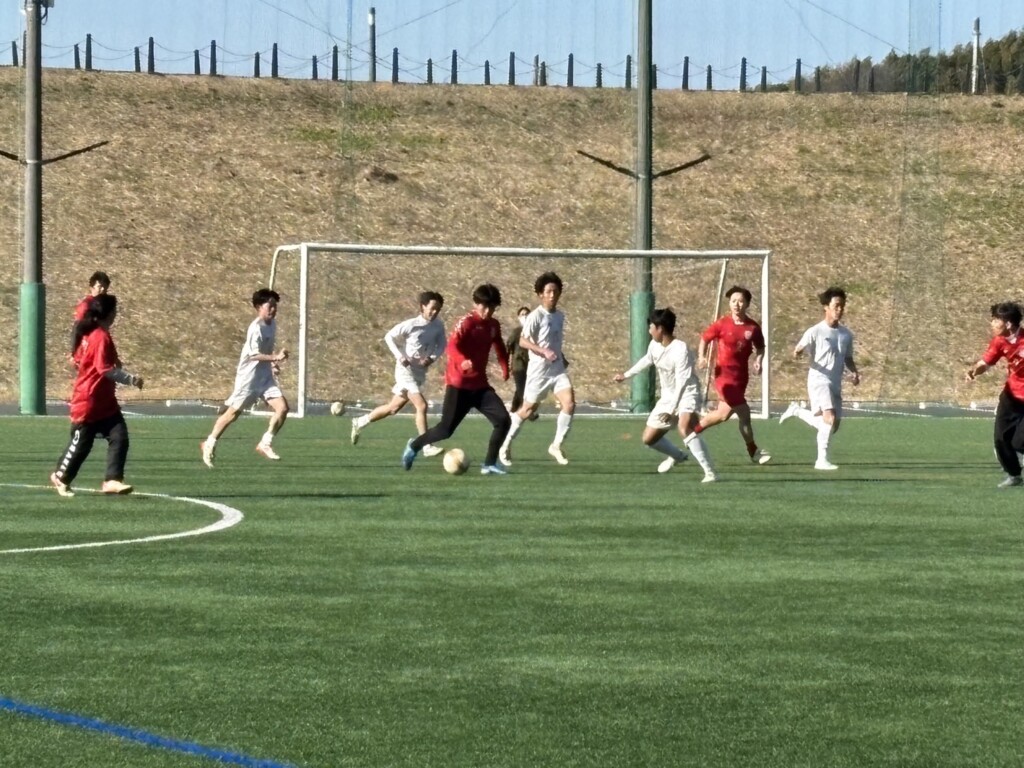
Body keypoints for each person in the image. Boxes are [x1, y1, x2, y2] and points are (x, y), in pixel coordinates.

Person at [402, 283, 511, 475]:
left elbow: (499, 345)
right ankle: (415, 445)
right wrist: (462, 361)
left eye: (492, 308)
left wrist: (505, 366)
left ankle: (489, 464)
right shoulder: (467, 322)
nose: (487, 311)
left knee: (503, 420)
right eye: (484, 306)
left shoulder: (493, 325)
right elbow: (452, 345)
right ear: (475, 304)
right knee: (445, 430)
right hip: (458, 385)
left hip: (480, 386)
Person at [50, 293, 143, 497]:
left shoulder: (93, 333)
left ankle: (112, 480)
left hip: (104, 401)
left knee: (119, 437)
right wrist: (131, 379)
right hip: (89, 401)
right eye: (115, 311)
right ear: (109, 314)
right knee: (81, 444)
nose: (116, 314)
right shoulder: (99, 336)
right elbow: (104, 369)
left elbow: (81, 360)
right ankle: (60, 476)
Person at [612, 307, 717, 482]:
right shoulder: (654, 345)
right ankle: (678, 456)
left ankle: (710, 472)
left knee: (684, 428)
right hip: (668, 396)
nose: (649, 331)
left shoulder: (681, 350)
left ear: (660, 328)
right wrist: (626, 375)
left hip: (687, 393)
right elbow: (647, 359)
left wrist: (672, 409)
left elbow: (682, 382)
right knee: (649, 439)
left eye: (651, 327)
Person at [201, 288, 290, 467]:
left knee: (283, 408)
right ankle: (209, 442)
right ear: (258, 307)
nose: (274, 310)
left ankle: (265, 443)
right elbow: (253, 355)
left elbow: (266, 350)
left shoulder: (272, 324)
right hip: (249, 378)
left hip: (265, 377)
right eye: (270, 306)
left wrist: (273, 364)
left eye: (275, 306)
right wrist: (275, 357)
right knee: (233, 414)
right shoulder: (256, 328)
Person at [351, 291, 447, 456]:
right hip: (405, 371)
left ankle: (360, 422)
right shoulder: (411, 324)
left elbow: (442, 344)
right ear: (423, 307)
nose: (434, 312)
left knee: (393, 408)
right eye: (432, 308)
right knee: (422, 405)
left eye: (438, 309)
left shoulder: (438, 325)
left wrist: (431, 358)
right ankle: (426, 446)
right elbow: (389, 337)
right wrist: (400, 356)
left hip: (419, 372)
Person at [779, 286, 860, 470]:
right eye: (836, 305)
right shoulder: (815, 331)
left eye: (842, 306)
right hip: (818, 380)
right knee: (829, 418)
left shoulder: (846, 334)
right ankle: (821, 460)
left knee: (832, 425)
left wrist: (854, 372)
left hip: (835, 382)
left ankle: (797, 411)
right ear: (826, 307)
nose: (840, 309)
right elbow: (798, 349)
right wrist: (798, 352)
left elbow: (848, 358)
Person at [499, 272, 574, 466]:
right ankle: (505, 444)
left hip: (556, 369)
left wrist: (560, 357)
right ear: (541, 294)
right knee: (527, 410)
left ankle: (556, 445)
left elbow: (554, 341)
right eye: (548, 291)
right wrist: (543, 351)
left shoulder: (560, 316)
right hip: (539, 372)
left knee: (569, 404)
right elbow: (523, 341)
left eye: (555, 291)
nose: (552, 295)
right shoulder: (535, 316)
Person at [694, 285, 771, 464]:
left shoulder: (753, 327)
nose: (736, 304)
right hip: (724, 378)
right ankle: (753, 450)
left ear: (747, 304)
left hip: (741, 378)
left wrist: (758, 360)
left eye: (740, 301)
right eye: (733, 301)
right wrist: (702, 357)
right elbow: (704, 339)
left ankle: (692, 433)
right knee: (744, 413)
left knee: (722, 414)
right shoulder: (722, 324)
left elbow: (760, 347)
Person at [964, 301, 1024, 488]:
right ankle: (1014, 475)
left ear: (1008, 323)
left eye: (996, 320)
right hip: (1011, 396)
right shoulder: (999, 341)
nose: (992, 324)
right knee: (1000, 439)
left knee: (1019, 442)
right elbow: (986, 362)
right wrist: (974, 371)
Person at [506, 305, 532, 414]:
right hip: (518, 364)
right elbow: (508, 346)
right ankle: (528, 411)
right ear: (518, 317)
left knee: (522, 387)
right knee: (522, 388)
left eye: (527, 314)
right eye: (522, 315)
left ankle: (513, 409)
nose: (525, 316)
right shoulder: (517, 332)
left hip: (531, 364)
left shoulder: (534, 330)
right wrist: (508, 363)